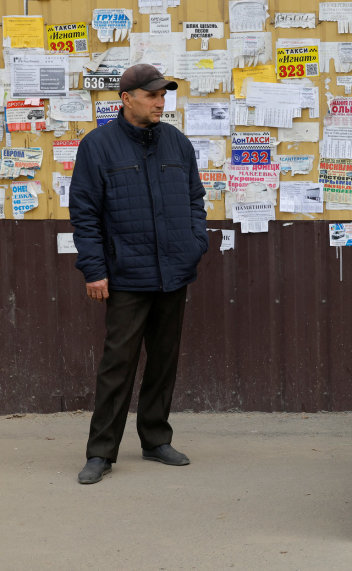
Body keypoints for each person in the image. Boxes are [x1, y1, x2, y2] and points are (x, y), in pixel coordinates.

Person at [69, 64, 208, 484]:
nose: (160, 103)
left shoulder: (178, 144)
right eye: (152, 96)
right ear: (126, 99)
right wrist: (95, 270)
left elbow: (195, 199)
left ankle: (155, 439)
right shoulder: (97, 146)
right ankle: (100, 453)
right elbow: (85, 214)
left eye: (163, 95)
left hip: (173, 272)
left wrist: (193, 244)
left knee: (163, 361)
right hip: (126, 273)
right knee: (118, 364)